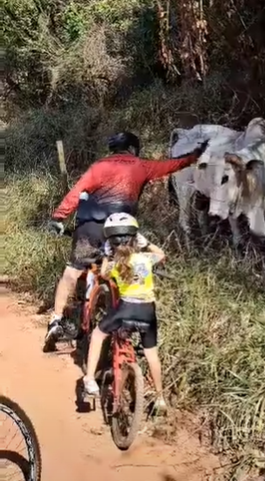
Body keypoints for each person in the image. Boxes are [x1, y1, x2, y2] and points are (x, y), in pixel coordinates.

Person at [45, 132, 208, 351]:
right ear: (133, 148)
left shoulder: (99, 166)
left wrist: (59, 216)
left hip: (91, 227)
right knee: (126, 270)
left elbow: (77, 192)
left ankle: (55, 320)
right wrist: (194, 156)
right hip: (124, 229)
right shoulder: (141, 165)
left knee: (72, 272)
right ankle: (136, 329)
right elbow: (171, 165)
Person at [83, 213, 166, 410]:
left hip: (125, 309)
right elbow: (162, 255)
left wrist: (106, 254)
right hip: (148, 311)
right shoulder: (146, 258)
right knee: (151, 353)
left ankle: (89, 380)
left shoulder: (115, 264)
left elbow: (103, 274)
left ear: (111, 240)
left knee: (97, 334)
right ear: (134, 237)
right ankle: (160, 397)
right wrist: (146, 243)